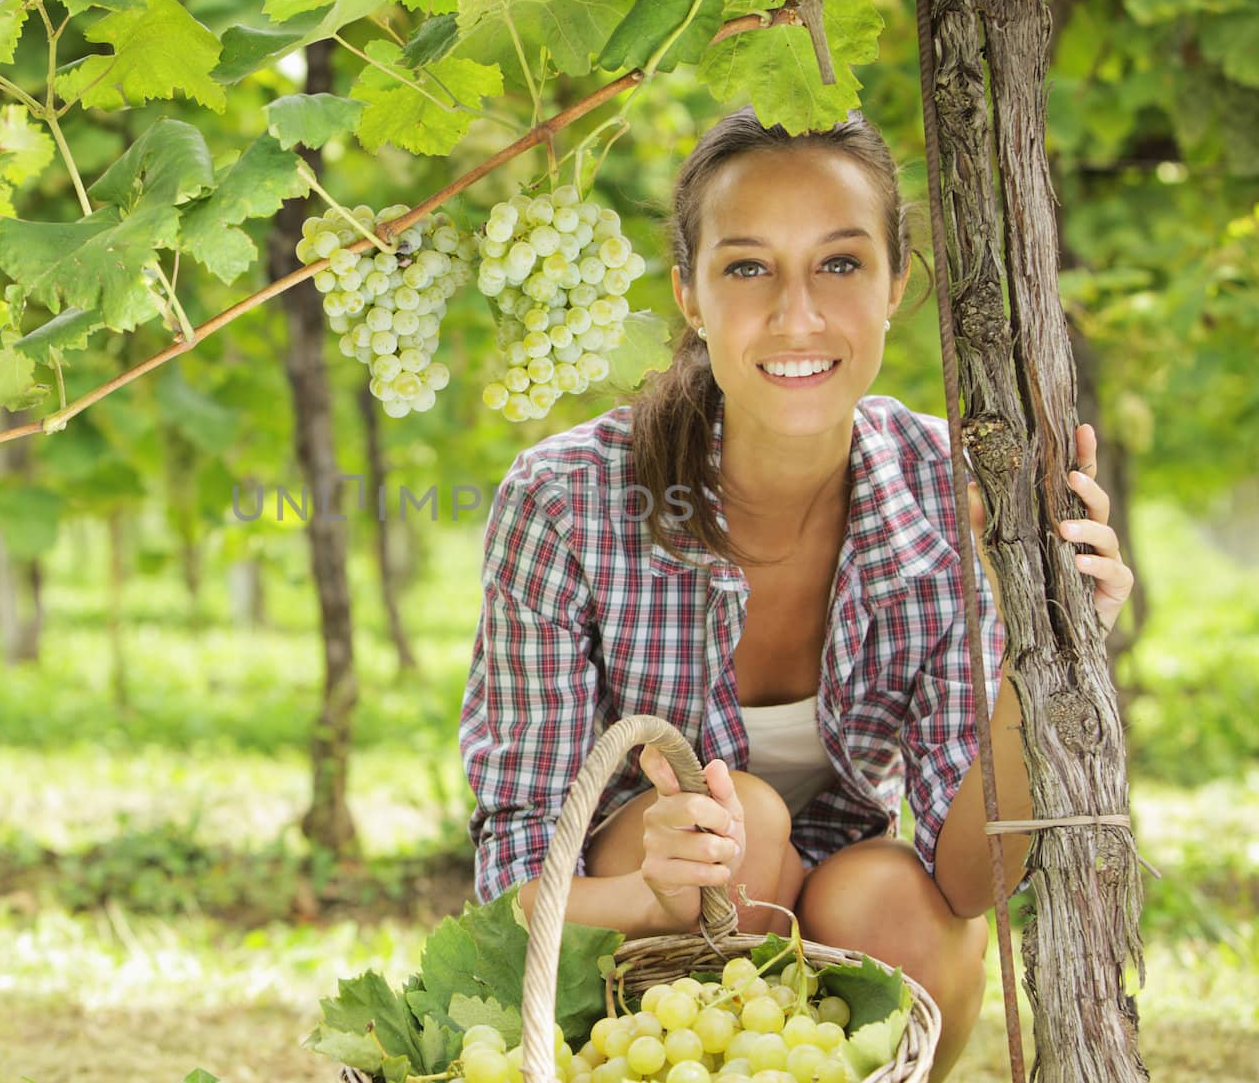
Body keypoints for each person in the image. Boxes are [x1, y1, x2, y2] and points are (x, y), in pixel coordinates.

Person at [458, 107, 1135, 1080]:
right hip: (626, 918)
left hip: (830, 899)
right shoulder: (565, 500)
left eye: (840, 263)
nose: (796, 312)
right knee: (746, 827)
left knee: (891, 897)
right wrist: (648, 891)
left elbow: (973, 875)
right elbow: (511, 882)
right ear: (688, 293)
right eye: (745, 267)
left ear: (897, 283)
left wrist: (1049, 654)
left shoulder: (956, 497)